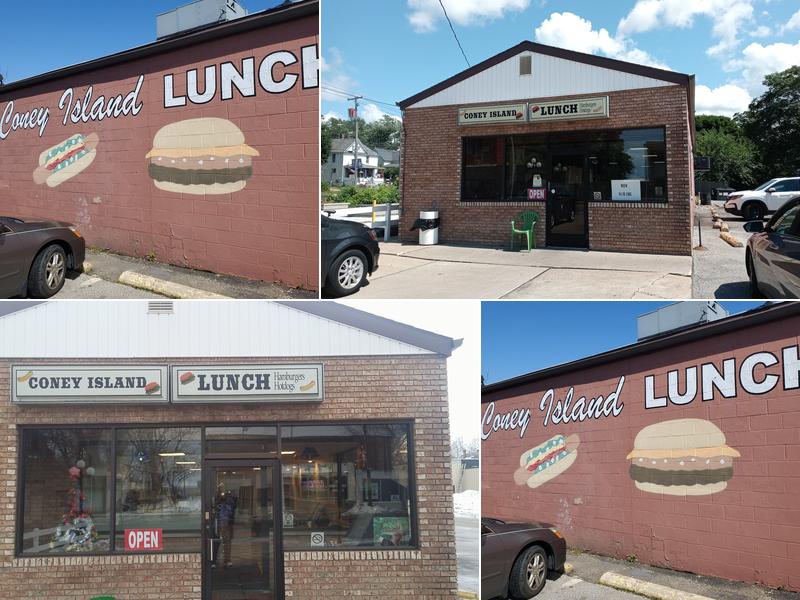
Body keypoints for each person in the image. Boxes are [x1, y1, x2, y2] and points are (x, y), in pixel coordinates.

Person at [217, 492, 238, 568]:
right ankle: (227, 560)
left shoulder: (223, 504)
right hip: (226, 524)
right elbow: (231, 511)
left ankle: (225, 559)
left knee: (223, 542)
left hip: (224, 524)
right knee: (227, 542)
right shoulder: (228, 504)